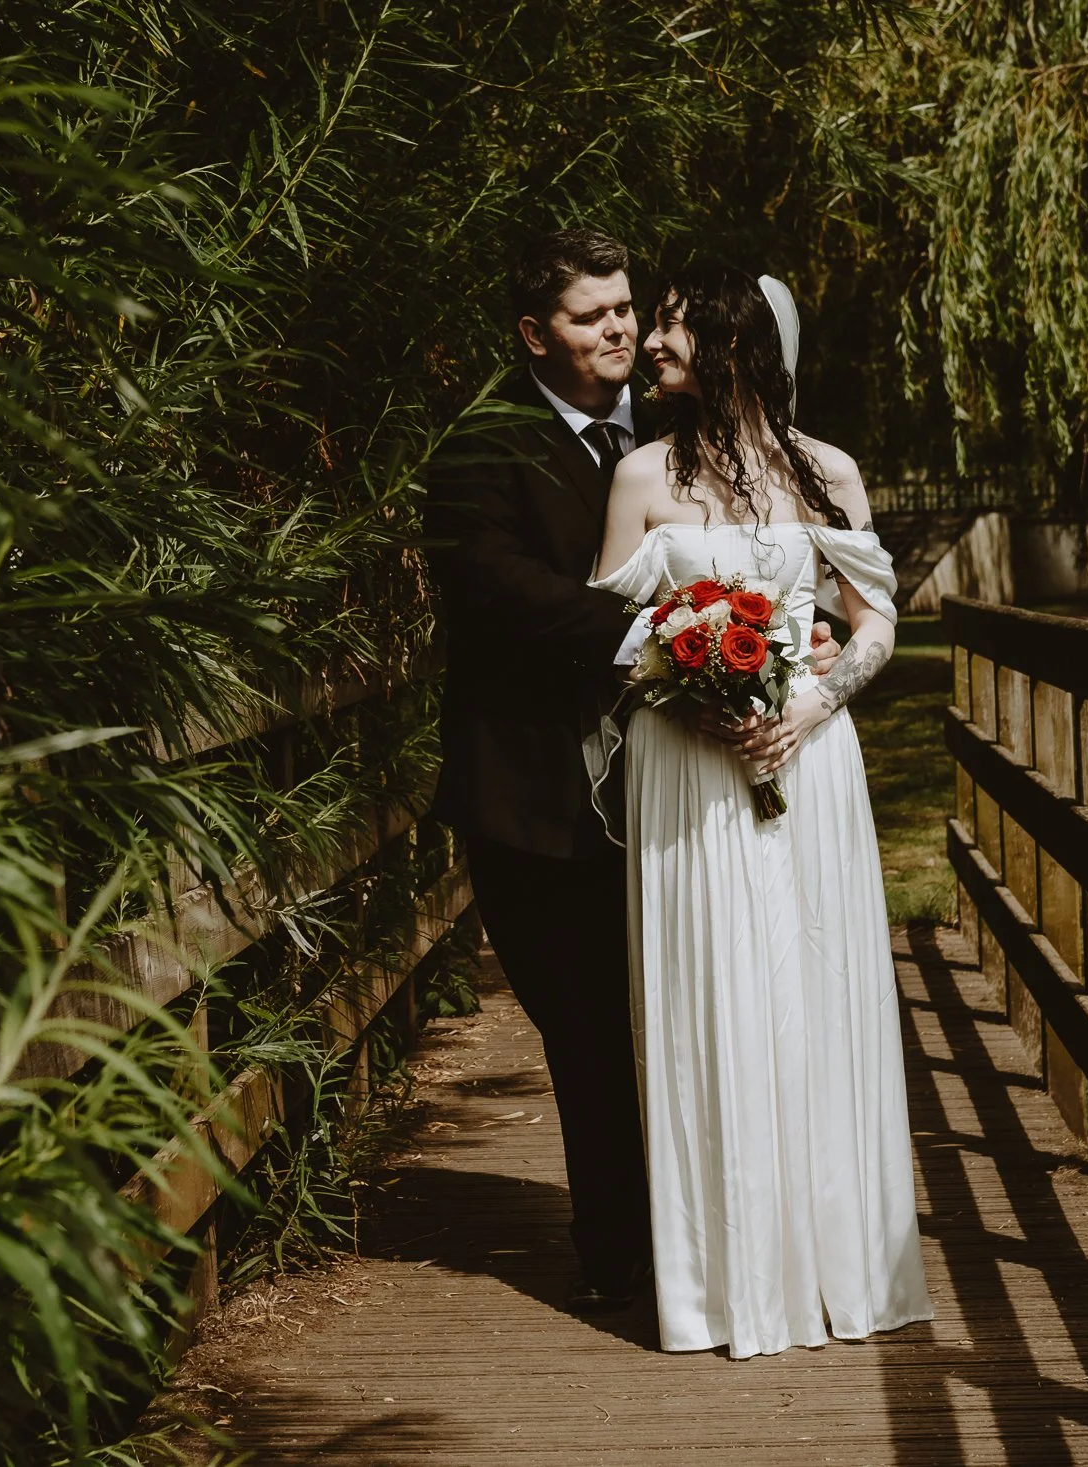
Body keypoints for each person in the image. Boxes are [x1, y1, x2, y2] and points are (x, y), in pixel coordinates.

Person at [423, 231, 839, 1314]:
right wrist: (682, 633)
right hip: (535, 795)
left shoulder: (664, 436)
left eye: (625, 309)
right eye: (590, 315)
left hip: (665, 787)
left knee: (691, 1008)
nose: (619, 328)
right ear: (533, 334)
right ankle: (625, 1260)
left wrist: (801, 634)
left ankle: (717, 1236)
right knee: (594, 1030)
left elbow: (764, 539)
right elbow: (502, 593)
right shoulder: (481, 446)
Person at [588, 263, 932, 1357]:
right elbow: (605, 634)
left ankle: (837, 1265)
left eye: (673, 323)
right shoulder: (641, 474)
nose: (650, 341)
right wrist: (679, 679)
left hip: (807, 755)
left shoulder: (825, 469)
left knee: (810, 980)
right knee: (713, 990)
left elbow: (876, 621)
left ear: (732, 340)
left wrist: (814, 703)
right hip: (686, 766)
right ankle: (727, 1286)